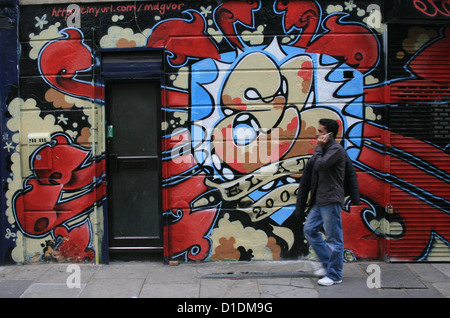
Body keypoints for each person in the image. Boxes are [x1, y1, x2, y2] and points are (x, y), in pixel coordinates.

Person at [295, 118, 360, 286]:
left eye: (321, 131)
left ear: (330, 134)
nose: (317, 134)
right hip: (320, 200)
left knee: (334, 239)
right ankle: (327, 264)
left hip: (331, 199)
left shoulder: (335, 150)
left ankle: (335, 274)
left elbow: (320, 165)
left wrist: (318, 147)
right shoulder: (326, 149)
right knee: (309, 230)